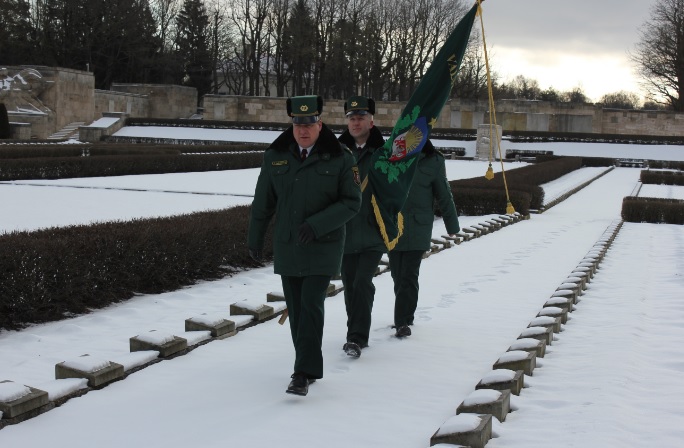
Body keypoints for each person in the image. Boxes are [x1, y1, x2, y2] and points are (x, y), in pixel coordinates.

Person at [248, 95, 361, 396]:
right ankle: (305, 365)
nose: (303, 130)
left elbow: (352, 202)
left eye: (309, 124)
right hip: (289, 246)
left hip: (323, 246)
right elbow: (263, 202)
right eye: (298, 124)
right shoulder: (276, 156)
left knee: (311, 305)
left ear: (320, 125)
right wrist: (254, 239)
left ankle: (302, 373)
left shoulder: (340, 157)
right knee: (297, 310)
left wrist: (317, 224)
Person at [389, 141, 460, 338]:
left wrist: (452, 226)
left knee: (409, 275)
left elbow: (444, 194)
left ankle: (401, 322)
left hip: (419, 226)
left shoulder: (434, 161)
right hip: (394, 226)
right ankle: (407, 314)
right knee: (397, 274)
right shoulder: (391, 155)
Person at [337, 96, 386, 358]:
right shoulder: (336, 152)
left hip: (372, 231)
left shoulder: (384, 152)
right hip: (344, 231)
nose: (356, 123)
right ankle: (354, 331)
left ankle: (357, 337)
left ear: (371, 122)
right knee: (350, 284)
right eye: (352, 118)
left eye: (361, 118)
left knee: (362, 282)